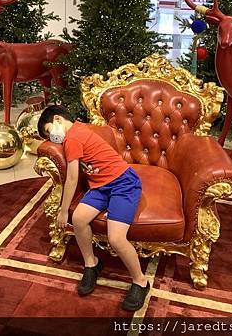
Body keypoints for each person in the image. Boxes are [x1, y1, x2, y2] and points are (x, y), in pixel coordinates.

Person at [37, 105, 149, 311]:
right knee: (79, 219)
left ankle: (140, 281)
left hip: (123, 183)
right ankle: (92, 263)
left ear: (58, 119)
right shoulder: (76, 132)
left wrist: (63, 210)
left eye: (48, 130)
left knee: (116, 238)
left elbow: (71, 178)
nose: (51, 137)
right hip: (100, 185)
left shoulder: (73, 137)